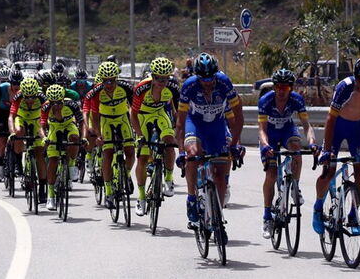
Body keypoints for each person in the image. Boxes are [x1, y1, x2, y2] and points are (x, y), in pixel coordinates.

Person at [313, 55, 360, 235]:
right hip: (337, 128)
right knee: (329, 170)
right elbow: (331, 118)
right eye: (357, 77)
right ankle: (317, 206)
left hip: (357, 130)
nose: (358, 83)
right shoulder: (345, 86)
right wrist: (327, 150)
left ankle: (354, 211)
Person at [175, 52, 244, 229]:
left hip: (217, 125)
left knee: (220, 175)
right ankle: (191, 198)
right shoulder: (189, 85)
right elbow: (180, 122)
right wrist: (181, 151)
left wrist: (235, 144)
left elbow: (239, 117)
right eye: (203, 79)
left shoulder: (224, 82)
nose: (207, 83)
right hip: (195, 124)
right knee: (193, 155)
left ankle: (217, 217)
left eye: (210, 79)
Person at [258, 68, 316, 239]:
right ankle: (267, 217)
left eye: (286, 88)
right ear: (274, 87)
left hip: (287, 130)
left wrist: (312, 142)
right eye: (279, 87)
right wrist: (266, 145)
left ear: (291, 88)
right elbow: (261, 129)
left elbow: (306, 125)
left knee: (296, 150)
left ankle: (295, 187)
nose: (282, 91)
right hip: (269, 134)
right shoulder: (265, 100)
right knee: (271, 173)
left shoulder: (296, 100)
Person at [130, 57, 180, 216]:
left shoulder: (172, 87)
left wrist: (177, 131)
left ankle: (169, 179)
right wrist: (139, 135)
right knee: (143, 157)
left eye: (166, 78)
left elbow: (174, 109)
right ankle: (142, 197)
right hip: (143, 117)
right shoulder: (141, 88)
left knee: (170, 143)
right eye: (158, 78)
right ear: (153, 76)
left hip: (160, 114)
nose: (162, 82)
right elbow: (134, 114)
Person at [84, 60, 136, 210]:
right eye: (106, 81)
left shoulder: (125, 88)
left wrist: (136, 129)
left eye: (112, 80)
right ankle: (108, 192)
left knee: (130, 152)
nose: (109, 84)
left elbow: (134, 108)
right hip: (105, 120)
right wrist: (99, 136)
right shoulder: (96, 92)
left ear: (116, 78)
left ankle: (125, 175)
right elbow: (95, 116)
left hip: (123, 118)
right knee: (108, 153)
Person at [41, 84, 84, 211]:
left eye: (58, 103)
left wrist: (83, 137)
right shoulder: (45, 107)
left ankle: (71, 164)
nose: (56, 106)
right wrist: (44, 137)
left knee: (75, 138)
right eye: (53, 103)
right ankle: (51, 195)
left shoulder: (71, 104)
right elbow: (41, 125)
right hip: (54, 129)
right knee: (53, 160)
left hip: (69, 125)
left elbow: (81, 122)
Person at [10, 77, 47, 200]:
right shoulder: (18, 97)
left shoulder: (42, 97)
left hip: (37, 121)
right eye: (27, 97)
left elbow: (48, 116)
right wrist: (12, 133)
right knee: (19, 132)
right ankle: (18, 162)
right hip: (22, 118)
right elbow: (12, 117)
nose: (30, 100)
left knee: (39, 155)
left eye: (33, 97)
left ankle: (42, 187)